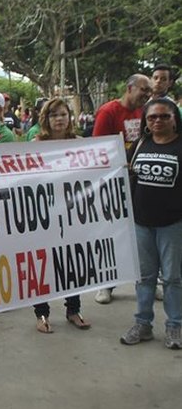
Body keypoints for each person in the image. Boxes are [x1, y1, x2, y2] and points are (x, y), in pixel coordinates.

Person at [120, 99, 182, 350]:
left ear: (175, 118)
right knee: (144, 278)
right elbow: (123, 171)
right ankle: (143, 324)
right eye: (152, 117)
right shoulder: (139, 144)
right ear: (145, 121)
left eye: (164, 116)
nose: (157, 121)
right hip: (140, 223)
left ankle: (174, 326)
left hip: (172, 224)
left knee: (172, 278)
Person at [28, 100, 91, 333]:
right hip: (43, 213)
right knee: (41, 262)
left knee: (72, 261)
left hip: (72, 213)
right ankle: (41, 313)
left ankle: (73, 309)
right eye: (54, 115)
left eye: (63, 114)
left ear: (70, 117)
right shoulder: (35, 145)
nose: (59, 119)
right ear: (46, 119)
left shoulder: (80, 144)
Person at [92, 74, 152, 304]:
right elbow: (97, 148)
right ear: (129, 88)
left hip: (138, 185)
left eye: (148, 91)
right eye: (143, 90)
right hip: (114, 184)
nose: (147, 94)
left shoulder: (145, 112)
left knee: (141, 237)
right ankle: (106, 285)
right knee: (112, 235)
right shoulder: (109, 111)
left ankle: (146, 282)